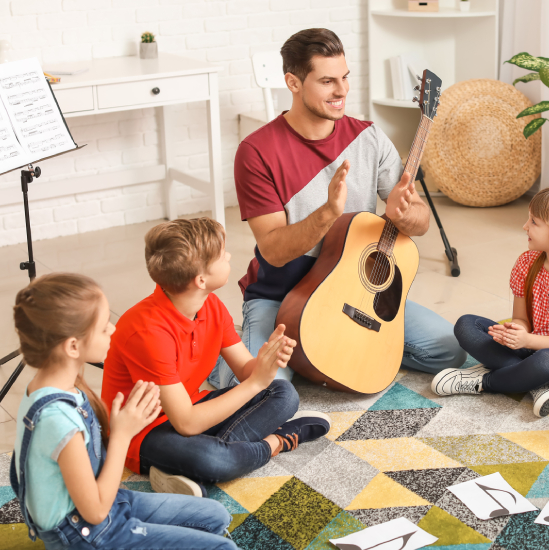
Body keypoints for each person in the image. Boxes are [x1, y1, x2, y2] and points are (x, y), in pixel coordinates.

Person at [209, 28, 466, 390]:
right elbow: (273, 250)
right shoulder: (257, 151)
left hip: (353, 295)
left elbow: (420, 219)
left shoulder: (369, 137)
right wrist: (326, 214)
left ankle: (330, 354)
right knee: (259, 389)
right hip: (283, 299)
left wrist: (405, 214)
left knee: (449, 350)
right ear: (293, 82)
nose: (342, 91)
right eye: (327, 81)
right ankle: (223, 355)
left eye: (345, 77)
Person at [101, 218, 330, 497]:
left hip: (192, 407)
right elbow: (186, 422)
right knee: (214, 460)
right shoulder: (147, 332)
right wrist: (255, 383)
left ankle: (181, 466)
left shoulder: (210, 304)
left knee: (285, 393)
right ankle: (276, 442)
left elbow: (247, 371)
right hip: (143, 431)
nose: (229, 255)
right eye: (222, 254)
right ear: (201, 279)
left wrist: (265, 363)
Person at [11, 273, 237, 549]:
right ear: (72, 346)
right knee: (223, 546)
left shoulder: (50, 384)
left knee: (215, 515)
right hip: (87, 534)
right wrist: (122, 435)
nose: (113, 329)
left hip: (109, 504)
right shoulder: (57, 420)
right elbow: (95, 512)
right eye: (103, 325)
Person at [430, 187, 549, 417]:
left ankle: (484, 381)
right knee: (466, 325)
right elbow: (521, 318)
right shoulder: (527, 262)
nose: (525, 226)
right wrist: (517, 331)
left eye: (534, 222)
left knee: (546, 362)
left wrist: (528, 339)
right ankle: (537, 382)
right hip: (529, 347)